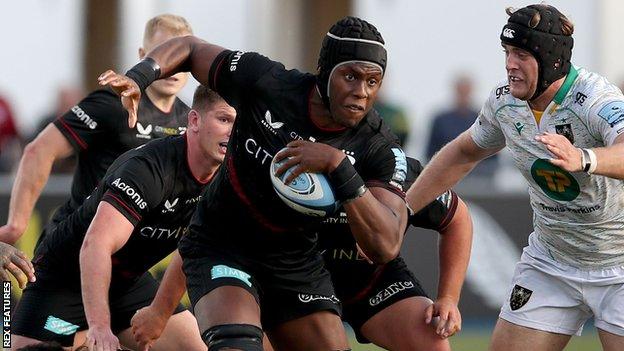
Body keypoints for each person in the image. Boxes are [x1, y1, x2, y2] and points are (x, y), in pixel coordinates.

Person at [100, 16, 408, 350]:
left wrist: (338, 167)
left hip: (296, 261)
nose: (361, 92)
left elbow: (386, 245)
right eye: (350, 77)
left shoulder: (378, 145)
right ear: (325, 70)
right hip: (223, 246)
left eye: (373, 81)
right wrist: (140, 77)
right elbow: (190, 47)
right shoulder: (268, 82)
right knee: (238, 344)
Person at [407, 4, 624, 351]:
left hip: (619, 264)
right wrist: (404, 210)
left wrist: (584, 158)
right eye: (507, 52)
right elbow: (464, 152)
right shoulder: (504, 103)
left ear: (552, 59)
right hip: (551, 262)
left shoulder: (595, 99)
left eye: (521, 54)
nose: (510, 64)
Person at [11, 86, 235, 351]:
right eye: (224, 119)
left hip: (128, 283)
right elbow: (95, 246)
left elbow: (192, 251)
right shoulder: (149, 169)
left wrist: (159, 314)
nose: (233, 131)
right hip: (65, 277)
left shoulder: (227, 180)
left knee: (196, 348)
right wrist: (100, 326)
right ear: (195, 121)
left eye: (239, 123)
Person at [0, 14, 193, 246]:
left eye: (180, 58)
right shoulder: (111, 104)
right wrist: (16, 225)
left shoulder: (191, 121)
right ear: (143, 56)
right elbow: (39, 151)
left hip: (126, 260)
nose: (172, 67)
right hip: (72, 245)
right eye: (162, 54)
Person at [319, 156, 472, 351]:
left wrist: (448, 298)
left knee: (432, 343)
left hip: (375, 279)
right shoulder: (305, 160)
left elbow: (458, 219)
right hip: (302, 276)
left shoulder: (398, 171)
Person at [426, 75, 499, 177]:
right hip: (447, 175)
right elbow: (430, 153)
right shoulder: (441, 120)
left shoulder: (483, 119)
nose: (463, 95)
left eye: (466, 91)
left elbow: (493, 155)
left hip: (478, 178)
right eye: (461, 91)